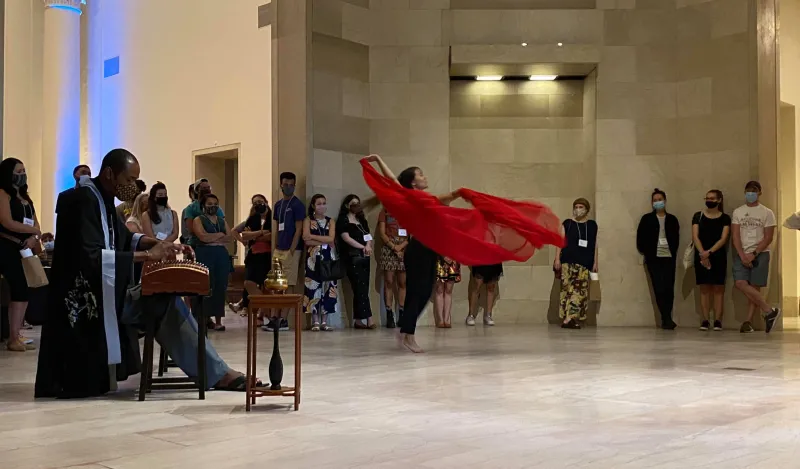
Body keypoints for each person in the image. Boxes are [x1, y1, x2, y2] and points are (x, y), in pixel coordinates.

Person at [35, 149, 250, 398]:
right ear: (109, 174)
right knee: (163, 302)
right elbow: (90, 256)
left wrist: (165, 245)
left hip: (110, 295)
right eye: (128, 180)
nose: (133, 187)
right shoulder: (83, 201)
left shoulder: (102, 199)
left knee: (166, 299)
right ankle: (216, 373)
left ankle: (214, 371)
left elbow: (125, 237)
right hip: (93, 304)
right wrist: (150, 256)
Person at [363, 155, 462, 352]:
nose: (425, 177)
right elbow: (393, 180)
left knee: (424, 292)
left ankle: (406, 332)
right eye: (420, 175)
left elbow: (442, 200)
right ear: (413, 182)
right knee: (417, 293)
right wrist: (379, 160)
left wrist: (458, 194)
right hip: (418, 250)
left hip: (429, 249)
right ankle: (408, 335)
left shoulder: (424, 198)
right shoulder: (411, 196)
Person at [0, 158, 41, 351]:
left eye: (24, 170)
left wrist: (34, 236)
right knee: (17, 288)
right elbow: (7, 222)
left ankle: (17, 333)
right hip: (7, 247)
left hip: (24, 248)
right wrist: (31, 231)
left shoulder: (25, 197)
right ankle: (12, 337)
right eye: (18, 171)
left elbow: (35, 223)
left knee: (24, 290)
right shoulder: (3, 194)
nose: (22, 174)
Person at [732, 181, 781, 333]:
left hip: (760, 253)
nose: (750, 194)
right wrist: (742, 255)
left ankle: (748, 322)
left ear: (760, 193)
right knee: (740, 283)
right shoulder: (738, 212)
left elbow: (768, 237)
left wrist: (753, 254)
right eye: (748, 191)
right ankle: (769, 311)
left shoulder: (767, 213)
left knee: (754, 287)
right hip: (742, 253)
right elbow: (735, 235)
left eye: (754, 191)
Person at [637, 189, 680, 330]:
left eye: (659, 199)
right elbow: (640, 239)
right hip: (654, 259)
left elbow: (676, 238)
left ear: (665, 201)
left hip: (668, 257)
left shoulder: (672, 219)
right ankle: (665, 318)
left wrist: (672, 250)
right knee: (659, 288)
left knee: (669, 288)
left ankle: (668, 317)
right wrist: (647, 252)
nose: (657, 202)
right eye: (655, 200)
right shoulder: (647, 219)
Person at [554, 198, 598, 329]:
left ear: (586, 209)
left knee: (579, 291)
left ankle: (570, 318)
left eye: (581, 206)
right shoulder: (567, 224)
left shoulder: (591, 225)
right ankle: (568, 318)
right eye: (576, 206)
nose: (578, 209)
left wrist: (596, 262)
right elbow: (560, 241)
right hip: (567, 261)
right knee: (567, 290)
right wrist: (557, 259)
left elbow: (595, 244)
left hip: (584, 263)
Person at [269, 172, 306, 332]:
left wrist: (292, 249)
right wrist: (274, 247)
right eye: (285, 184)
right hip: (278, 249)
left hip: (292, 250)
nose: (288, 187)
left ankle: (284, 319)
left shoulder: (297, 205)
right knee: (276, 284)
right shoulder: (278, 205)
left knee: (289, 284)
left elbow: (299, 229)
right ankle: (274, 317)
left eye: (291, 185)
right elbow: (276, 228)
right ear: (281, 185)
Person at [230, 194, 273, 327]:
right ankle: (266, 310)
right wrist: (260, 233)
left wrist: (254, 235)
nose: (258, 205)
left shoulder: (272, 218)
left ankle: (262, 315)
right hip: (253, 256)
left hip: (267, 256)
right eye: (254, 203)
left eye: (260, 202)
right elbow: (245, 235)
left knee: (266, 286)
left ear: (266, 202)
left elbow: (271, 235)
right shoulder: (252, 218)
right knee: (249, 283)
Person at [193, 193, 232, 331]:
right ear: (203, 205)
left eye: (215, 204)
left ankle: (218, 319)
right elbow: (202, 236)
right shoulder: (198, 219)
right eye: (209, 204)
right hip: (205, 253)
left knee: (220, 285)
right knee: (206, 284)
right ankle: (203, 318)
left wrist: (214, 238)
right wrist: (219, 236)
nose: (213, 207)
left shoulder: (221, 220)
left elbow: (229, 237)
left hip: (220, 254)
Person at [692, 190, 731, 332]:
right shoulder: (698, 216)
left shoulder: (725, 218)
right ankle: (705, 320)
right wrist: (703, 253)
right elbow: (695, 236)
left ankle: (718, 320)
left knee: (718, 289)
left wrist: (710, 252)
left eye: (712, 198)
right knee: (704, 289)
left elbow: (723, 238)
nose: (709, 200)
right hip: (701, 255)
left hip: (718, 256)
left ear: (719, 200)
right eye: (707, 198)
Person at [337, 195, 376, 329]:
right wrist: (361, 246)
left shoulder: (361, 220)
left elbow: (368, 236)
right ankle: (369, 319)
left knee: (364, 287)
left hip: (365, 256)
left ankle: (359, 320)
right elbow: (345, 238)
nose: (356, 206)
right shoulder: (343, 220)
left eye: (358, 204)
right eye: (353, 203)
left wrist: (368, 245)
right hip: (352, 257)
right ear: (347, 205)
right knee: (359, 287)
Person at [303, 194, 338, 331]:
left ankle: (325, 320)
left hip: (328, 257)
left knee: (328, 287)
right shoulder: (308, 220)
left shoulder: (331, 221)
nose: (322, 206)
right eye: (319, 203)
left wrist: (313, 236)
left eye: (324, 203)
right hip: (313, 257)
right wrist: (322, 239)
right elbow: (306, 241)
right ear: (313, 206)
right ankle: (315, 320)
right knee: (313, 287)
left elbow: (331, 239)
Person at [377, 208, 407, 328]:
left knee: (402, 283)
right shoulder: (384, 212)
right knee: (389, 282)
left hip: (404, 248)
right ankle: (389, 313)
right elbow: (382, 233)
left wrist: (401, 247)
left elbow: (411, 234)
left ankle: (402, 312)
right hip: (389, 248)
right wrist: (394, 247)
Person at [434, 256, 460, 328]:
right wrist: (443, 256)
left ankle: (447, 318)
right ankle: (440, 319)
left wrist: (451, 257)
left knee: (448, 290)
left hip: (453, 259)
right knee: (439, 290)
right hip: (439, 259)